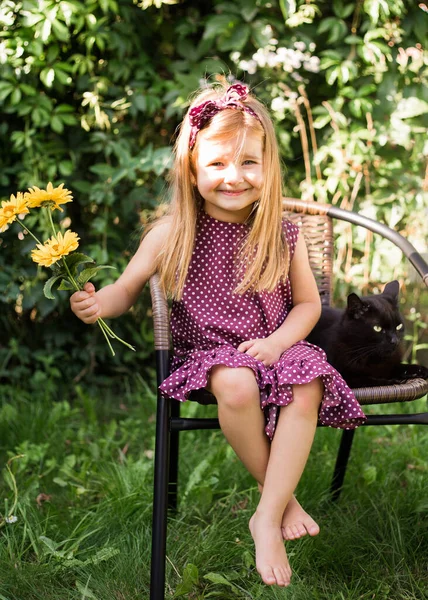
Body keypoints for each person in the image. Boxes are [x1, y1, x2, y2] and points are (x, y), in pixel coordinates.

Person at [70, 80, 366, 587]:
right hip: (209, 356)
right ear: (191, 167)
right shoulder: (172, 232)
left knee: (309, 383)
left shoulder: (281, 231)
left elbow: (308, 305)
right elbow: (126, 290)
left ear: (268, 167)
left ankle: (264, 516)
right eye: (217, 164)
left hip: (275, 349)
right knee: (235, 382)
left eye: (249, 162)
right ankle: (283, 502)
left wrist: (276, 344)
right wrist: (99, 304)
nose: (234, 177)